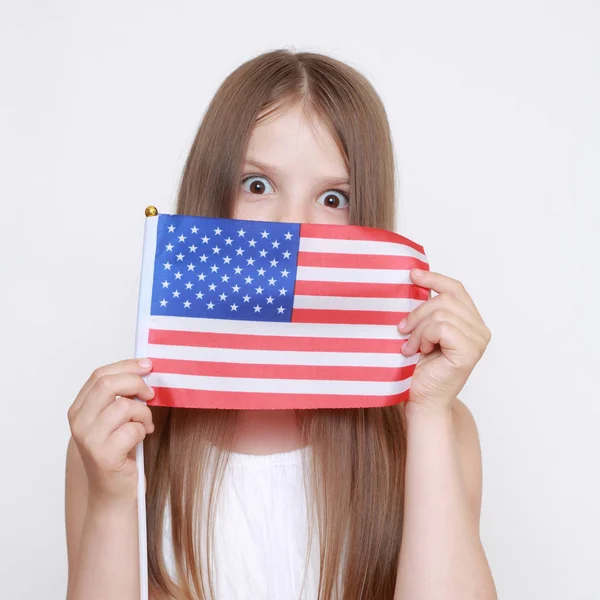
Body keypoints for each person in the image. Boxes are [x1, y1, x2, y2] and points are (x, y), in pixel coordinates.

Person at [65, 49, 497, 600]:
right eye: (258, 186)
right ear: (211, 195)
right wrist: (109, 498)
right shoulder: (120, 434)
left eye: (333, 197)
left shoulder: (430, 426)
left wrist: (430, 415)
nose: (294, 225)